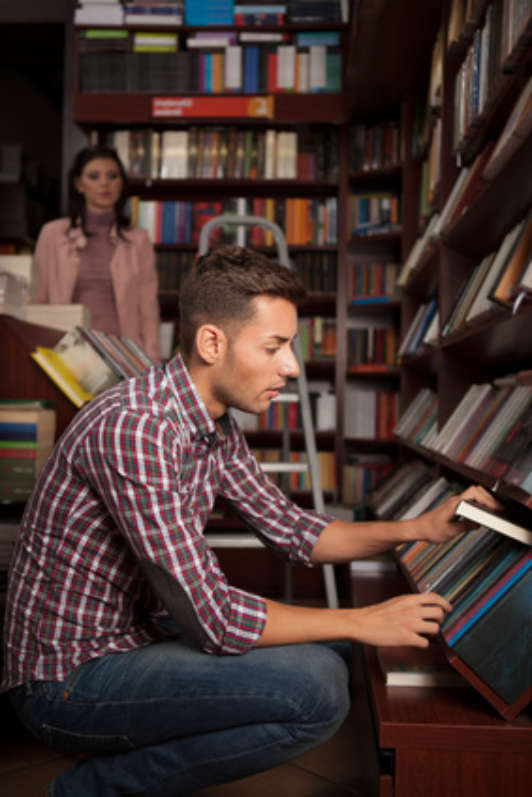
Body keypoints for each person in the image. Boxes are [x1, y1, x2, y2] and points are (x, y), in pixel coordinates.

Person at [1, 245, 497, 797]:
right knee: (317, 689)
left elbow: (296, 531)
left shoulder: (212, 422)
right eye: (275, 346)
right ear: (213, 342)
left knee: (333, 654)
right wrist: (363, 619)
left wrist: (420, 529)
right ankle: (90, 792)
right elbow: (213, 617)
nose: (291, 366)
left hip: (134, 637)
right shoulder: (137, 429)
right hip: (66, 680)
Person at [33, 144, 161, 362]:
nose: (104, 183)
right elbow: (38, 300)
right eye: (94, 176)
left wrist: (151, 361)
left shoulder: (138, 239)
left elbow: (148, 308)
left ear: (121, 183)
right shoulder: (52, 234)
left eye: (112, 176)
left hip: (124, 353)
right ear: (79, 184)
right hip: (66, 351)